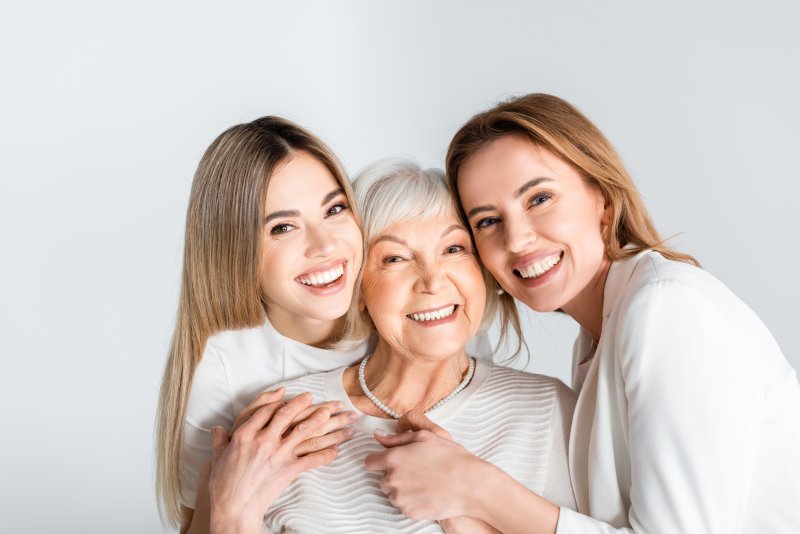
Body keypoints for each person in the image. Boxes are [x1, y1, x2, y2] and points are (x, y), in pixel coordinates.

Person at [364, 93, 800, 533]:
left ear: (603, 198)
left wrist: (478, 488)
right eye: (488, 221)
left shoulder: (665, 308)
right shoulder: (599, 335)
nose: (517, 239)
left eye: (539, 199)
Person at [155, 119, 496, 533]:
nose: (325, 245)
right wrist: (232, 500)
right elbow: (200, 522)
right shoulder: (224, 369)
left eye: (334, 209)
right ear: (235, 252)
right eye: (283, 227)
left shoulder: (419, 312)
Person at [205, 159, 577, 533]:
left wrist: (462, 508)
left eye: (453, 249)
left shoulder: (548, 411)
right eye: (395, 258)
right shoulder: (284, 424)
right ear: (357, 289)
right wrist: (230, 514)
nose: (432, 281)